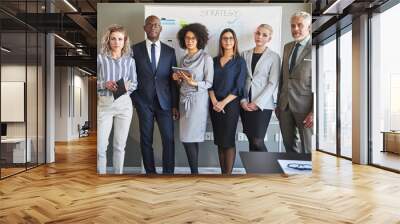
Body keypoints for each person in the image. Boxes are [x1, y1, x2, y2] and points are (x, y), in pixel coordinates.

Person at [130, 15, 179, 174]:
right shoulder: (134, 50)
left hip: (165, 103)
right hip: (144, 102)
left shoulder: (169, 51)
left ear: (161, 28)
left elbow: (173, 80)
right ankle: (150, 173)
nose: (153, 27)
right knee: (146, 140)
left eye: (156, 25)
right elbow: (130, 75)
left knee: (169, 140)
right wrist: (135, 99)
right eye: (150, 24)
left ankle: (168, 173)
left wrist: (174, 105)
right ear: (144, 28)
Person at [172, 23, 213, 174]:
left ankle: (194, 172)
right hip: (183, 101)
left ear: (199, 40)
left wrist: (192, 82)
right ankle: (194, 171)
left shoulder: (206, 58)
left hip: (197, 102)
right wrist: (177, 78)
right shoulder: (183, 59)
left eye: (193, 38)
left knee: (191, 138)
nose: (189, 41)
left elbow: (209, 83)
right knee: (187, 138)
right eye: (187, 38)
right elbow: (181, 82)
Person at [97, 24, 138, 174]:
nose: (116, 42)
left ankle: (117, 175)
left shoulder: (130, 61)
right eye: (113, 39)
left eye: (120, 39)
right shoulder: (100, 59)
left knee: (120, 145)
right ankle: (101, 176)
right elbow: (95, 82)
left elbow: (135, 83)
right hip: (105, 105)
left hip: (124, 105)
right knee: (101, 147)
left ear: (124, 41)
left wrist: (127, 87)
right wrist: (104, 84)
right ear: (108, 40)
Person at [208, 28, 246, 174]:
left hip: (231, 106)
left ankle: (228, 175)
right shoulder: (213, 61)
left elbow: (239, 86)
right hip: (214, 104)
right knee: (219, 140)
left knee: (228, 140)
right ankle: (222, 173)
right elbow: (209, 83)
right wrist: (214, 101)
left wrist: (223, 103)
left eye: (231, 38)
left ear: (235, 41)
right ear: (221, 42)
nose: (228, 41)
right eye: (225, 38)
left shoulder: (239, 61)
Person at [240, 24, 281, 152]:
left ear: (269, 39)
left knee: (258, 141)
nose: (260, 37)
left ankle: (268, 171)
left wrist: (257, 103)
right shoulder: (244, 54)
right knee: (251, 139)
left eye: (264, 35)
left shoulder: (274, 56)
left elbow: (273, 82)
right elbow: (240, 80)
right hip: (245, 103)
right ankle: (254, 171)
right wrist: (243, 101)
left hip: (263, 105)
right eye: (258, 33)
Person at [276, 11, 313, 154]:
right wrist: (278, 103)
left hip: (305, 107)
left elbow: (320, 83)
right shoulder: (287, 47)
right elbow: (283, 77)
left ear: (309, 27)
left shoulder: (314, 47)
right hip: (284, 105)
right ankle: (294, 173)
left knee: (307, 147)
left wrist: (314, 112)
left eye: (300, 25)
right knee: (288, 144)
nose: (295, 29)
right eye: (293, 26)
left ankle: (309, 176)